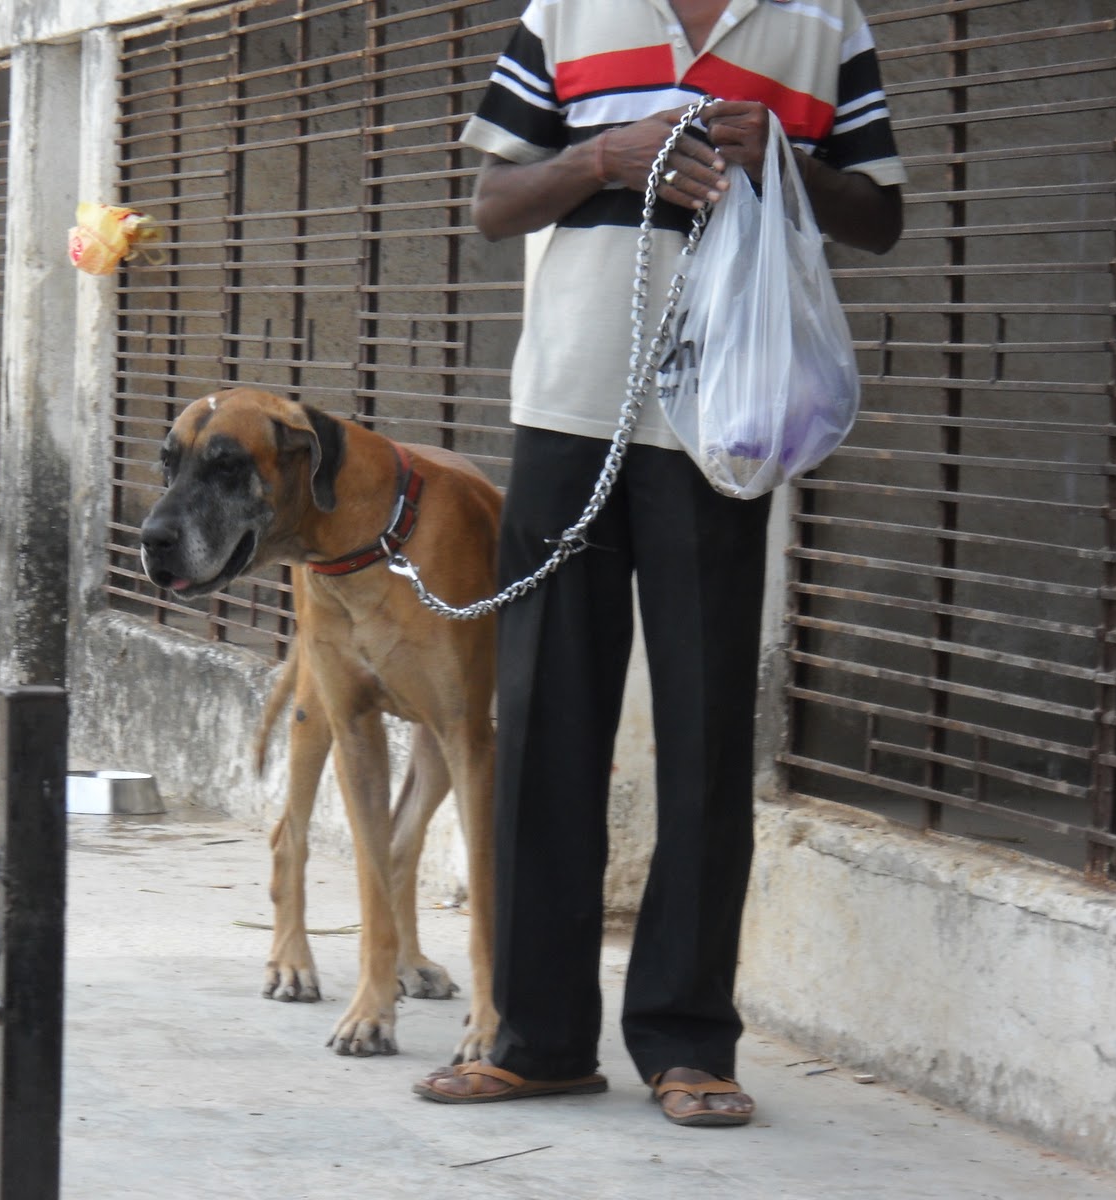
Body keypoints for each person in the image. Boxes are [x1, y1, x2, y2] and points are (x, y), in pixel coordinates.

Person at [412, 0, 905, 1125]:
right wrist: (603, 156)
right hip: (569, 407)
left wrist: (779, 156)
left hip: (725, 419)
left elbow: (880, 218)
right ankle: (536, 1040)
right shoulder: (569, 11)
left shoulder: (822, 22)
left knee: (703, 727)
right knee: (543, 728)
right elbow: (493, 207)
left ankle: (689, 1044)